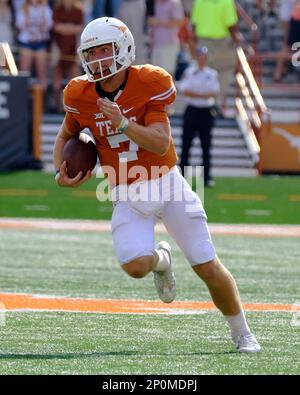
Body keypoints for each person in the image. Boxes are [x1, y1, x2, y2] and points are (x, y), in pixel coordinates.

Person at [53, 16, 261, 353]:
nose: (97, 60)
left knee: (207, 264)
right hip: (125, 191)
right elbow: (67, 134)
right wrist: (60, 171)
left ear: (123, 49)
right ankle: (162, 261)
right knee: (135, 266)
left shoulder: (149, 81)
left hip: (167, 184)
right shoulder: (79, 93)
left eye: (104, 50)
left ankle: (242, 331)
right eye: (91, 53)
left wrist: (122, 123)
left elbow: (161, 142)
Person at [190, 0, 240, 118]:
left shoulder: (199, 2)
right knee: (224, 73)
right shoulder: (226, 2)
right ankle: (214, 105)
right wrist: (237, 43)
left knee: (203, 73)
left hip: (203, 42)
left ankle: (202, 105)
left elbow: (194, 25)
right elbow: (231, 25)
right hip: (222, 43)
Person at [179, 46, 219, 188]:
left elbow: (214, 92)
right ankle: (182, 177)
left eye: (204, 56)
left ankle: (206, 177)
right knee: (186, 145)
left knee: (206, 146)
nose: (202, 58)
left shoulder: (211, 74)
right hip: (192, 110)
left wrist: (196, 94)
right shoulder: (190, 72)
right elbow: (185, 90)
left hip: (206, 111)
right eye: (200, 55)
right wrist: (203, 94)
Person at [51, 0, 83, 111]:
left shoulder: (78, 10)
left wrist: (65, 27)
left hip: (73, 48)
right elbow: (56, 27)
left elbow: (79, 28)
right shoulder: (58, 10)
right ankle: (57, 104)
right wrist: (71, 27)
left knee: (75, 76)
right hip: (59, 47)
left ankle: (75, 102)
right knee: (57, 75)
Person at [15, 0, 53, 91]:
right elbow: (19, 25)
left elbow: (50, 24)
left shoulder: (45, 8)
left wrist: (41, 23)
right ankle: (22, 96)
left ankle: (42, 99)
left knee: (42, 73)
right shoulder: (23, 8)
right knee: (24, 73)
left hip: (40, 43)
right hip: (26, 43)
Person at [148, 0, 184, 77]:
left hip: (169, 44)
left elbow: (179, 22)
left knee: (168, 74)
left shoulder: (174, 3)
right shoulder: (156, 2)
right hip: (155, 44)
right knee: (154, 74)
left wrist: (158, 22)